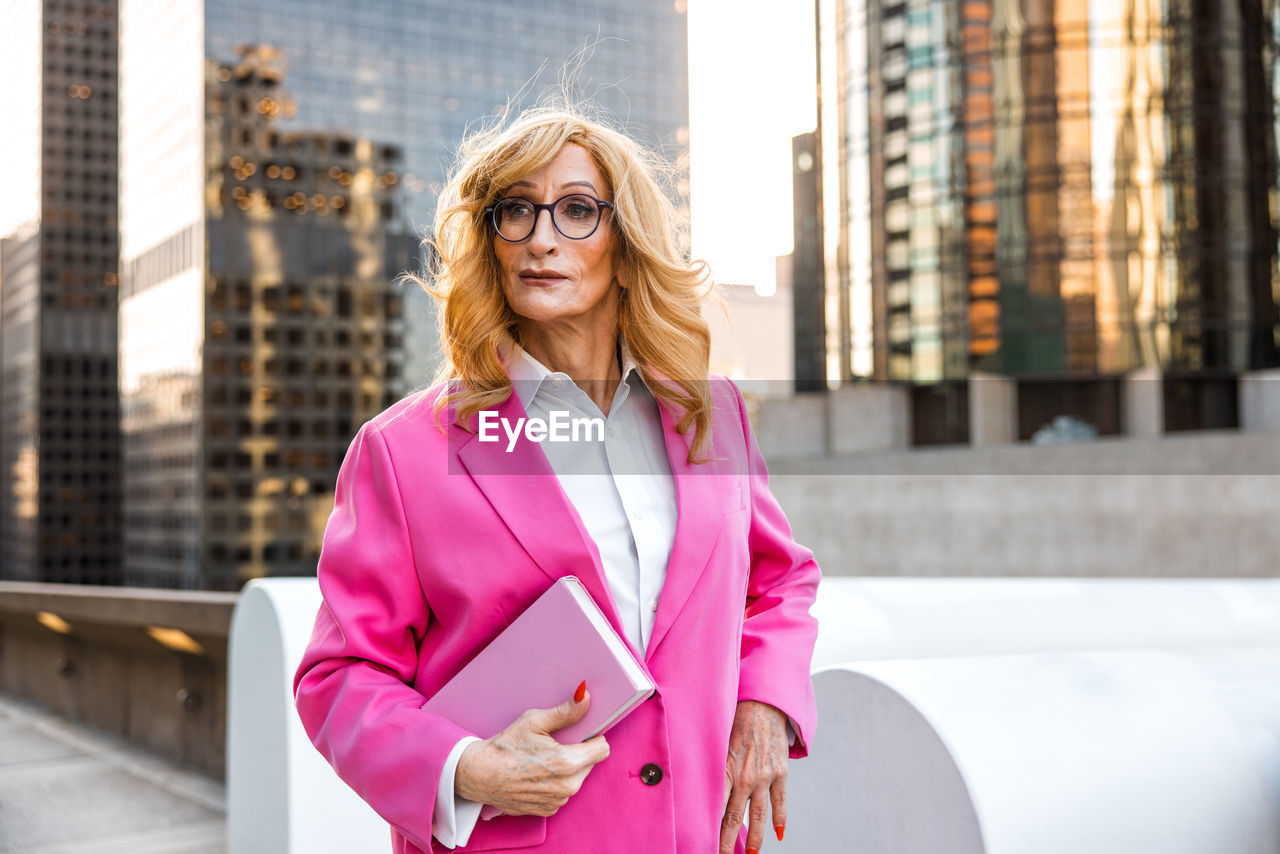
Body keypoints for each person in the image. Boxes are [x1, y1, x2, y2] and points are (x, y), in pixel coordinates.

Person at [293, 105, 820, 854]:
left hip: (701, 833)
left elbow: (779, 580)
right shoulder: (403, 451)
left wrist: (766, 700)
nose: (542, 238)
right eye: (516, 211)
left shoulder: (711, 415)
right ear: (492, 243)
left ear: (625, 242)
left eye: (577, 210)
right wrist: (465, 767)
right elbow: (339, 677)